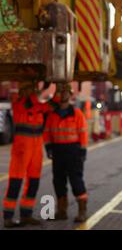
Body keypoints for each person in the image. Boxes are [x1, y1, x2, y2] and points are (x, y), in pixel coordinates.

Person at [3, 82, 60, 228]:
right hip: (21, 150)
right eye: (31, 90)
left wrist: (59, 88)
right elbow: (31, 102)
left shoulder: (39, 107)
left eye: (33, 90)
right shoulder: (19, 105)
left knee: (33, 184)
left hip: (35, 150)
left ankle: (26, 215)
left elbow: (53, 106)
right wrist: (43, 89)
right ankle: (8, 218)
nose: (33, 92)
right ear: (24, 92)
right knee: (15, 183)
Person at [43, 83, 89, 222]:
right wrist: (48, 147)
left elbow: (83, 133)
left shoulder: (76, 113)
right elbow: (47, 132)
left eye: (65, 92)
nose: (63, 95)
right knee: (58, 181)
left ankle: (82, 211)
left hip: (73, 151)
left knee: (76, 181)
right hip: (58, 151)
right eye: (60, 93)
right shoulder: (52, 114)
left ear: (70, 95)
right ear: (57, 95)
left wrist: (82, 150)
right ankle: (61, 211)